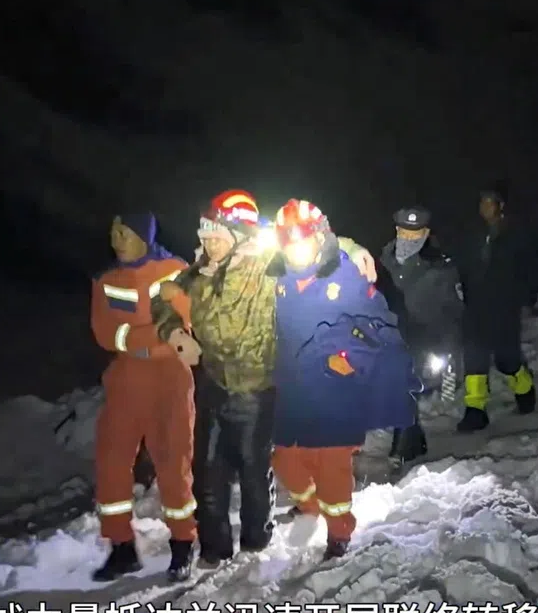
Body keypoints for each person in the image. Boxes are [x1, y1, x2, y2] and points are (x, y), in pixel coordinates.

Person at [153, 190, 378, 569]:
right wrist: (174, 333)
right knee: (208, 470)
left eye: (218, 235)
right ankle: (214, 547)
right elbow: (163, 297)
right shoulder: (197, 272)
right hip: (212, 384)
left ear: (239, 235)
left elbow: (309, 241)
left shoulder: (267, 265)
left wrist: (351, 249)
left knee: (254, 468)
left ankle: (258, 542)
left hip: (258, 388)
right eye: (205, 236)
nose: (209, 243)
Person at [267, 198, 421, 560]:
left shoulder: (347, 275)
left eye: (302, 241)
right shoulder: (275, 277)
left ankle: (339, 530)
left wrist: (349, 359)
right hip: (292, 389)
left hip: (336, 390)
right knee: (286, 460)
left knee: (331, 467)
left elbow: (378, 327)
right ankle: (309, 506)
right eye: (288, 243)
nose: (296, 250)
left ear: (320, 238)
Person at [90, 213, 202, 583]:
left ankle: (183, 544)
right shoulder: (105, 280)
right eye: (112, 231)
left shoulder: (175, 268)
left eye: (124, 231)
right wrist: (156, 333)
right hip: (125, 378)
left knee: (173, 460)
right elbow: (106, 335)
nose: (116, 238)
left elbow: (188, 321)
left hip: (169, 377)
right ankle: (121, 547)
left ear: (145, 234)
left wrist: (141, 335)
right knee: (111, 460)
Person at [374, 206, 463, 460]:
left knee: (404, 391)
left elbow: (454, 313)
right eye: (404, 232)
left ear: (426, 233)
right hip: (390, 339)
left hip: (424, 341)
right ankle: (414, 441)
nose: (409, 239)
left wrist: (449, 357)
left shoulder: (441, 267)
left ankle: (400, 451)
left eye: (416, 234)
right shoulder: (383, 261)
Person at [455, 183, 538, 433]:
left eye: (489, 202)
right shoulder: (473, 234)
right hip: (476, 306)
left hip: (504, 306)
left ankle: (524, 389)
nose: (484, 207)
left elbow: (528, 269)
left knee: (507, 359)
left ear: (500, 206)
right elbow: (464, 265)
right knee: (474, 356)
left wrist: (525, 297)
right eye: (482, 202)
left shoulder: (515, 234)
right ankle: (475, 410)